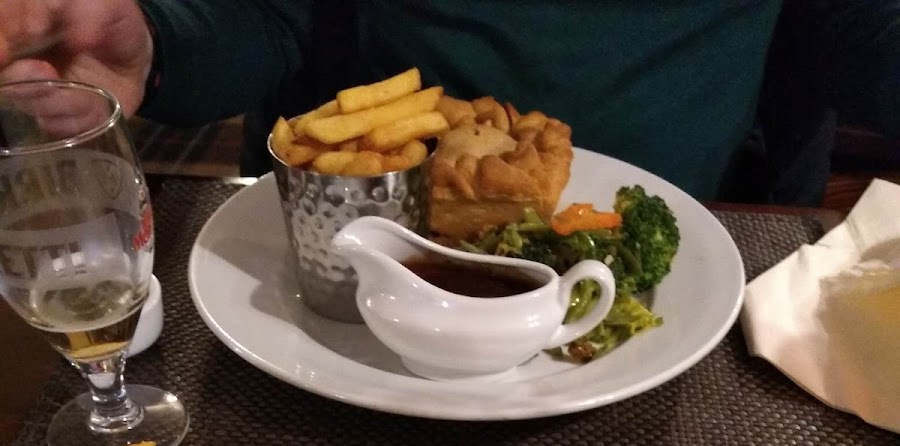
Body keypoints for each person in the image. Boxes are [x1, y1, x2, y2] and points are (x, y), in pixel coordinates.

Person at [0, 0, 898, 202]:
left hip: (692, 253)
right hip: (356, 247)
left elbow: (861, 33)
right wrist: (159, 42)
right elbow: (267, 17)